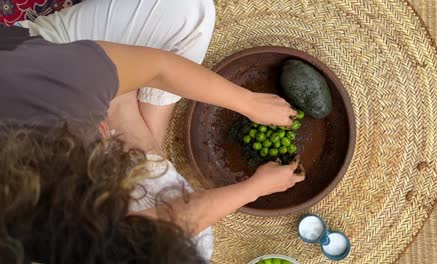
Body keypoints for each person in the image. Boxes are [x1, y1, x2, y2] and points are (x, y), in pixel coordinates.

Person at [1, 0, 306, 263]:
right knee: (199, 243)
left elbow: (159, 68)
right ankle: (126, 111)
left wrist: (250, 103)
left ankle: (123, 104)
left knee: (190, 11)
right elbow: (142, 235)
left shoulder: (60, 89)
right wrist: (253, 188)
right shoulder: (60, 234)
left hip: (46, 58)